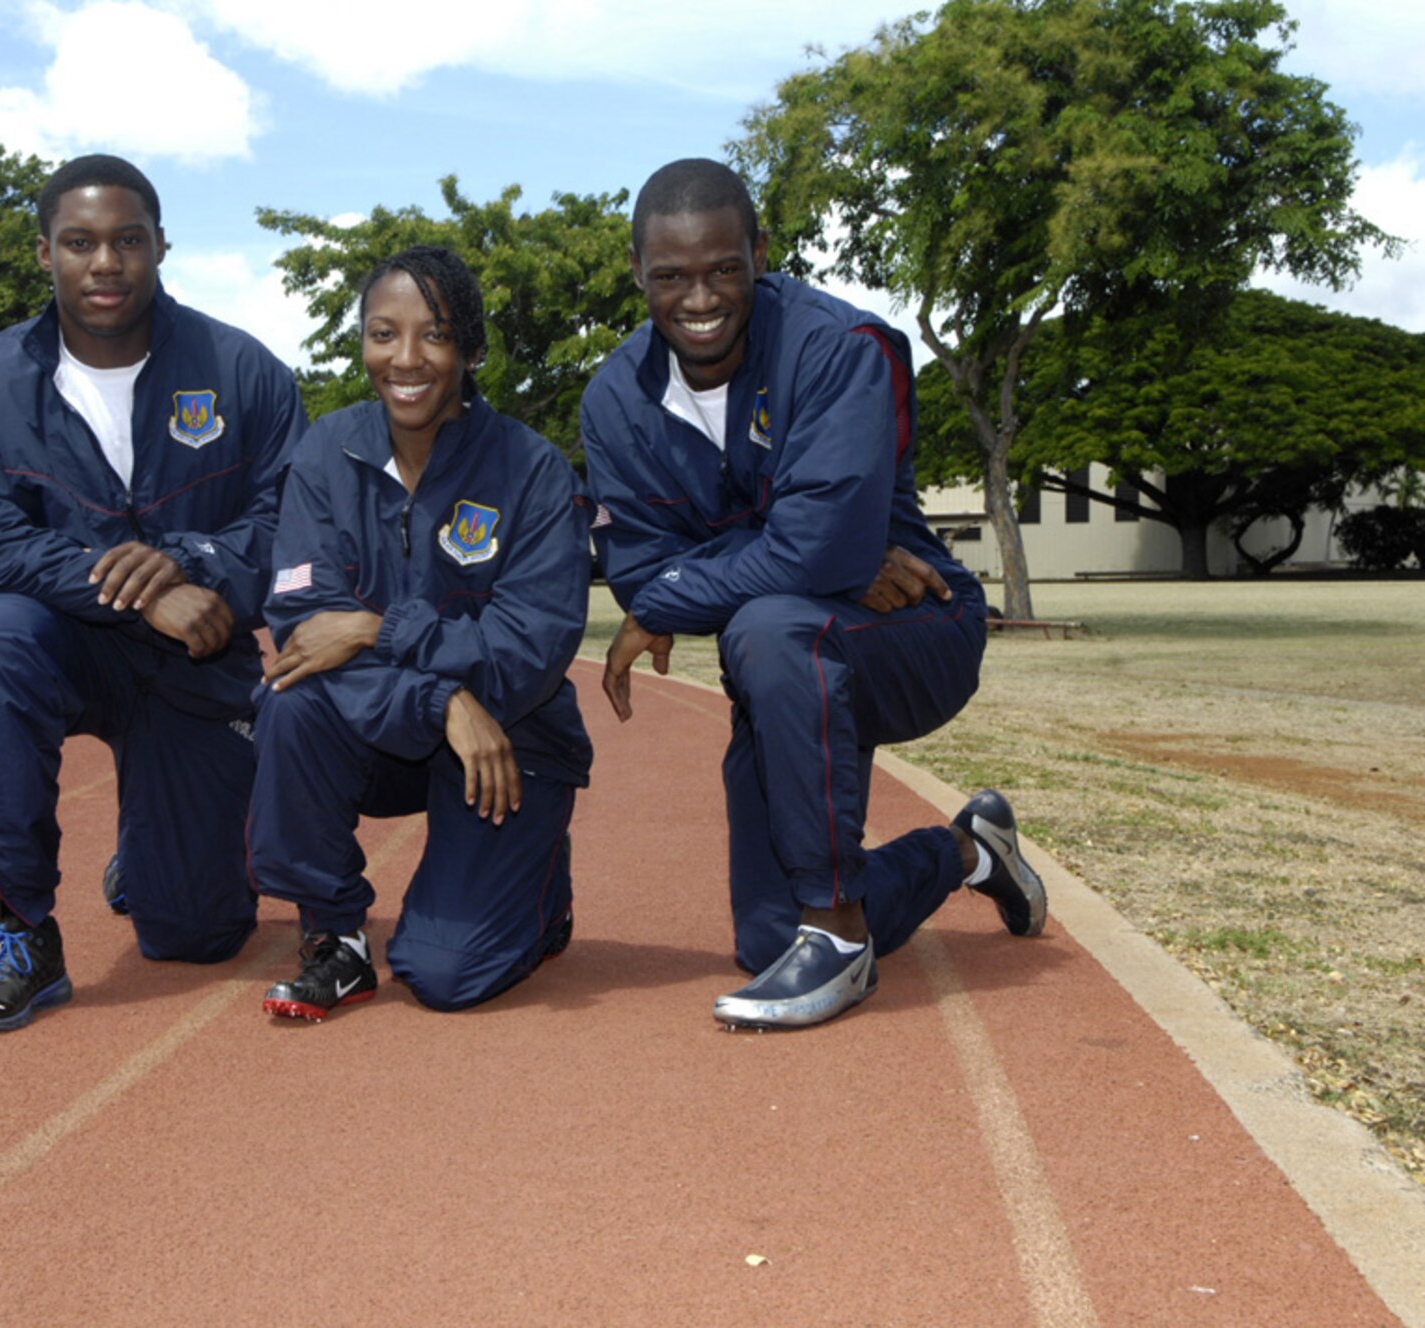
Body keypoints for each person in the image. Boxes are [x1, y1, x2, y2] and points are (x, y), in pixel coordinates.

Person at [580, 159, 1045, 1031]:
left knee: (764, 623)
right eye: (672, 276)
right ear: (638, 272)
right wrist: (808, 556)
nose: (701, 297)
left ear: (760, 252)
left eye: (725, 268)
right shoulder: (612, 400)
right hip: (784, 675)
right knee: (763, 936)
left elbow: (766, 561)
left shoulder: (838, 349)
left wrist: (770, 568)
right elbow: (643, 574)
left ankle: (837, 937)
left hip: (912, 625)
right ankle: (966, 851)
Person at [0, 153, 305, 1032]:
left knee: (198, 936)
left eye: (127, 240)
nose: (106, 263)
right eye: (80, 242)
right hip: (65, 645)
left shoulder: (246, 372)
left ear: (162, 246)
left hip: (198, 655)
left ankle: (153, 854)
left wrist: (189, 564)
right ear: (43, 254)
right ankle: (19, 930)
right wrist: (132, 591)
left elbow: (293, 529)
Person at [246, 245, 592, 1019]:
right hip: (394, 734)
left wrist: (378, 627)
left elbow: (524, 654)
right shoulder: (323, 454)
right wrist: (440, 703)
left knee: (444, 976)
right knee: (289, 700)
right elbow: (306, 631)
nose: (405, 358)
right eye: (382, 333)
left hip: (506, 739)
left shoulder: (532, 472)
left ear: (470, 351)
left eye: (434, 335)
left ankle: (539, 887)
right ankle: (334, 936)